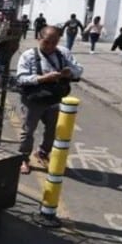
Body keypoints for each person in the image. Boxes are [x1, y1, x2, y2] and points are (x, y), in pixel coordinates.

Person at [14, 26, 84, 175]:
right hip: (33, 99)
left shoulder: (63, 53)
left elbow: (78, 69)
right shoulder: (28, 55)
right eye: (47, 42)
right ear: (39, 39)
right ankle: (23, 158)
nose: (51, 46)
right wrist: (42, 78)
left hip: (55, 99)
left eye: (54, 42)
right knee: (28, 131)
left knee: (53, 130)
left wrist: (69, 72)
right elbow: (21, 78)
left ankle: (43, 152)